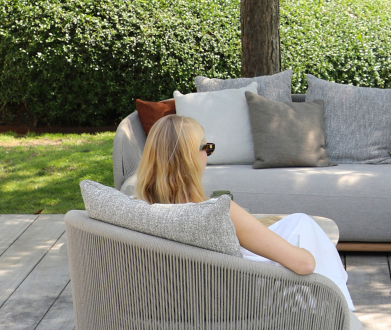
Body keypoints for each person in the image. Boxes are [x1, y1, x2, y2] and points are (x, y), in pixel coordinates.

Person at [135, 114, 354, 310]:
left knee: (298, 223)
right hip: (250, 299)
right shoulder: (219, 212)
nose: (208, 155)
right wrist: (309, 251)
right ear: (191, 157)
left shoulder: (137, 211)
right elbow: (304, 264)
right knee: (307, 232)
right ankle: (343, 315)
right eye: (207, 148)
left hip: (184, 300)